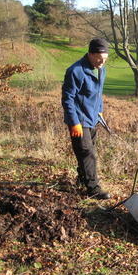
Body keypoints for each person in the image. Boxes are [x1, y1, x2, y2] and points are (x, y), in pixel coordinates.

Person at [61, 38, 111, 200]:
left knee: (88, 151)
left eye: (105, 58)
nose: (102, 62)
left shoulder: (100, 69)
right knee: (88, 153)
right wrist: (74, 122)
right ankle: (93, 187)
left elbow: (97, 94)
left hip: (92, 117)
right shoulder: (76, 71)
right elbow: (67, 99)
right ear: (90, 54)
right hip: (79, 120)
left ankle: (82, 179)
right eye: (99, 58)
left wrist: (100, 111)